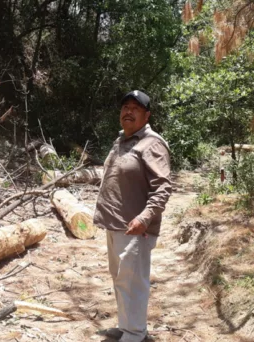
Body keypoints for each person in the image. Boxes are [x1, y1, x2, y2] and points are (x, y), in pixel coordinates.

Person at [94, 90, 172, 342]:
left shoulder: (152, 143)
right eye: (125, 107)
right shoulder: (121, 141)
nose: (128, 111)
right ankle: (128, 327)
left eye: (135, 108)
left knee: (133, 282)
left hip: (135, 226)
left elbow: (162, 188)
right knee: (121, 279)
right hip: (115, 224)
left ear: (147, 115)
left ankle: (136, 334)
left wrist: (144, 218)